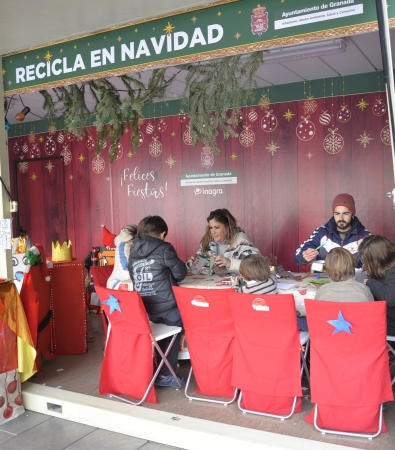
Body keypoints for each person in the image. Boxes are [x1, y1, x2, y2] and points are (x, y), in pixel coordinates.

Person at [128, 215, 187, 388]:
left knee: (163, 332)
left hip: (148, 307)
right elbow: (180, 274)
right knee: (176, 330)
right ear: (162, 234)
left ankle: (162, 368)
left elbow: (133, 277)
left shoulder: (133, 250)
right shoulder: (164, 248)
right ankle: (167, 374)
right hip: (168, 304)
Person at [294, 193, 369, 268]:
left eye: (345, 213)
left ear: (352, 214)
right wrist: (303, 257)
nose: (341, 218)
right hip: (324, 279)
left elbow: (376, 264)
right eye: (337, 214)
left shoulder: (365, 237)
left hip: (352, 279)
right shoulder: (321, 232)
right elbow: (297, 257)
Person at [188, 208, 260, 274]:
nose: (213, 232)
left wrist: (230, 263)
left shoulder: (241, 240)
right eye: (211, 228)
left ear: (228, 227)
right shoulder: (207, 241)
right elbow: (200, 270)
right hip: (212, 285)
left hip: (237, 286)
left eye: (216, 227)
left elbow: (257, 266)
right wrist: (192, 264)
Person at [358, 234, 395, 336]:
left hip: (390, 327)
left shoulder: (393, 271)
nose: (365, 263)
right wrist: (372, 272)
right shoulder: (387, 269)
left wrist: (370, 282)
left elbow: (390, 297)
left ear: (377, 259)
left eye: (367, 260)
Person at [106, 224, 137, 290]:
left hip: (123, 281)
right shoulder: (124, 245)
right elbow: (125, 266)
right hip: (117, 283)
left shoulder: (126, 244)